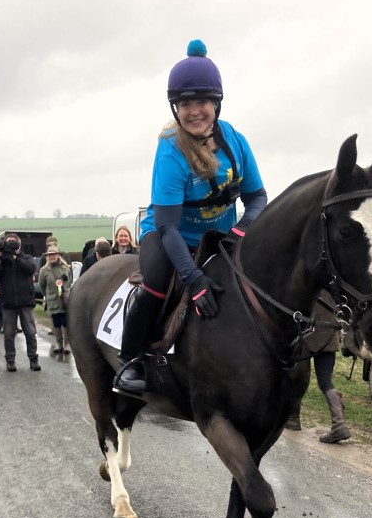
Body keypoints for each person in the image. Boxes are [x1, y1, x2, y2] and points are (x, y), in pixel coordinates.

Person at [113, 39, 267, 393]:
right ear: (175, 108)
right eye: (185, 104)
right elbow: (167, 226)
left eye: (202, 102)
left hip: (221, 237)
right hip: (168, 235)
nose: (194, 111)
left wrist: (244, 227)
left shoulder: (236, 141)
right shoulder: (170, 149)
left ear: (216, 104)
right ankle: (129, 361)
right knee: (155, 283)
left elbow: (257, 197)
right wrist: (194, 280)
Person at [285, 291, 351, 443]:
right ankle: (339, 423)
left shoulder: (316, 282)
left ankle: (293, 419)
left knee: (298, 375)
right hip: (330, 337)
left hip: (309, 334)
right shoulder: (334, 286)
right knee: (325, 381)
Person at [0, 233, 41, 372]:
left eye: (13, 242)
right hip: (8, 302)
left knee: (30, 333)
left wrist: (16, 258)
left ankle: (33, 359)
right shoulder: (2, 261)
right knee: (8, 334)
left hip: (25, 301)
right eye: (8, 242)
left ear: (19, 245)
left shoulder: (26, 257)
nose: (10, 245)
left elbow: (31, 269)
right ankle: (10, 361)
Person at [38, 244, 73, 354]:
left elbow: (70, 282)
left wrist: (66, 293)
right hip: (52, 302)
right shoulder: (44, 270)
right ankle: (59, 344)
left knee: (66, 323)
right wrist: (48, 295)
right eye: (50, 255)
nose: (52, 257)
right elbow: (41, 286)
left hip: (65, 301)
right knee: (56, 323)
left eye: (54, 254)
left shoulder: (65, 268)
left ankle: (67, 345)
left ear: (58, 256)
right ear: (47, 257)